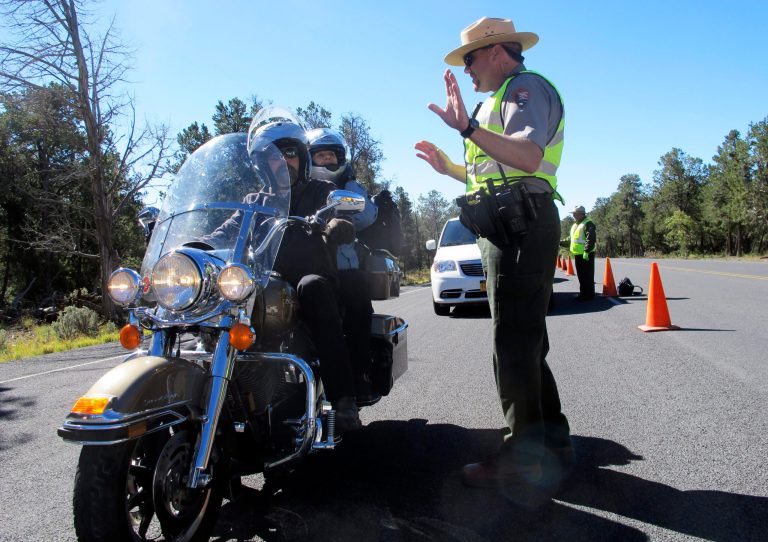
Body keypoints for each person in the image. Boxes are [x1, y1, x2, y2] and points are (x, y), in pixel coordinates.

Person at [415, 16, 572, 491]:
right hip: (507, 222)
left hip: (521, 225)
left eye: (470, 58)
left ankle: (524, 459)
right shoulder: (493, 105)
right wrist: (450, 169)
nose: (466, 70)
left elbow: (526, 158)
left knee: (513, 346)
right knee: (525, 342)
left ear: (498, 52)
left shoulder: (524, 89)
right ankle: (552, 442)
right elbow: (493, 172)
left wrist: (465, 127)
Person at [210, 117, 362, 432]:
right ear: (262, 164)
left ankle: (344, 400)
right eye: (272, 156)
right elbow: (224, 233)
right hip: (264, 284)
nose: (281, 161)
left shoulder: (322, 190)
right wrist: (196, 245)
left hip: (309, 281)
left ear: (303, 158)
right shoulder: (256, 202)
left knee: (313, 288)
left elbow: (340, 214)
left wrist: (337, 225)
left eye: (289, 153)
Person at [306, 127, 379, 403]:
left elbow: (367, 215)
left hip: (341, 268)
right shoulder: (291, 186)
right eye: (320, 156)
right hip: (302, 265)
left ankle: (359, 374)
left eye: (331, 155)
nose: (327, 161)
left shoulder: (347, 186)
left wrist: (345, 198)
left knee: (358, 292)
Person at [562, 205, 597, 300]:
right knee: (581, 276)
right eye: (573, 213)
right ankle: (583, 293)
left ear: (581, 214)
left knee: (587, 276)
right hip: (577, 254)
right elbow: (571, 239)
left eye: (575, 213)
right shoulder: (575, 225)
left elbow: (591, 238)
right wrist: (560, 242)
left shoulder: (588, 224)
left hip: (586, 254)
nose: (573, 215)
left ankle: (588, 295)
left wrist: (587, 251)